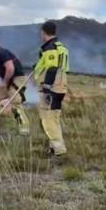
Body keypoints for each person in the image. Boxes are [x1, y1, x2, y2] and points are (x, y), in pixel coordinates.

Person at [32, 21, 70, 156]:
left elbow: (52, 68)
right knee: (52, 118)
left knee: (49, 120)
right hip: (60, 85)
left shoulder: (50, 48)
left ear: (43, 32)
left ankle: (59, 150)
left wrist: (47, 89)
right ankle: (53, 148)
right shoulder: (60, 47)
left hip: (53, 87)